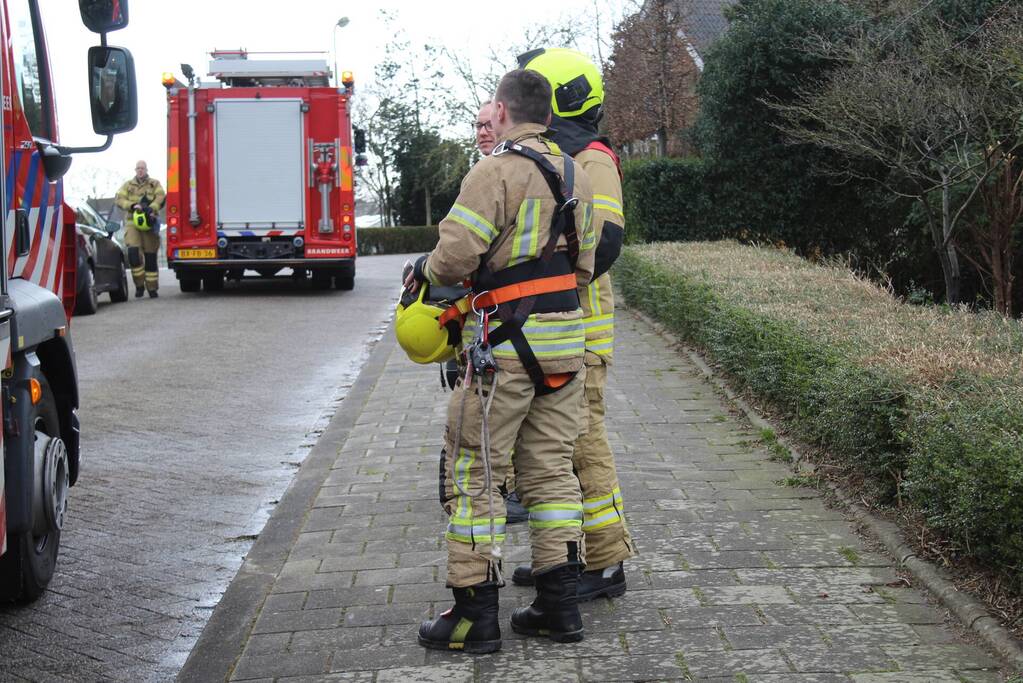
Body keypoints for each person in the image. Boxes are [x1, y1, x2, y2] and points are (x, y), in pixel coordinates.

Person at [408, 69, 595, 653]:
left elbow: (451, 258)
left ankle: (473, 616)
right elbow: (588, 261)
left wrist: (431, 268)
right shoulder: (576, 173)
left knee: (475, 474)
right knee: (552, 472)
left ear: (506, 112)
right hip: (566, 341)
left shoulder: (493, 172)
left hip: (505, 349)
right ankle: (558, 607)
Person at [511, 48, 634, 601]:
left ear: (559, 94)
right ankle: (563, 559)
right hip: (554, 328)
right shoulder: (557, 155)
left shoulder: (593, 158)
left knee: (583, 445)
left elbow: (604, 243)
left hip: (582, 333)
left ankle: (605, 564)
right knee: (552, 449)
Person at [115, 160, 165, 298]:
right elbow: (119, 199)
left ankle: (152, 288)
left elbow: (161, 196)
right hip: (132, 223)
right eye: (138, 168)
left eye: (142, 168)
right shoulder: (128, 185)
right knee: (133, 254)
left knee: (150, 257)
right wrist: (132, 205)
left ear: (146, 169)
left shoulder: (154, 184)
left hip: (149, 222)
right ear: (135, 170)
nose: (140, 170)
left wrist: (152, 207)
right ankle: (139, 285)